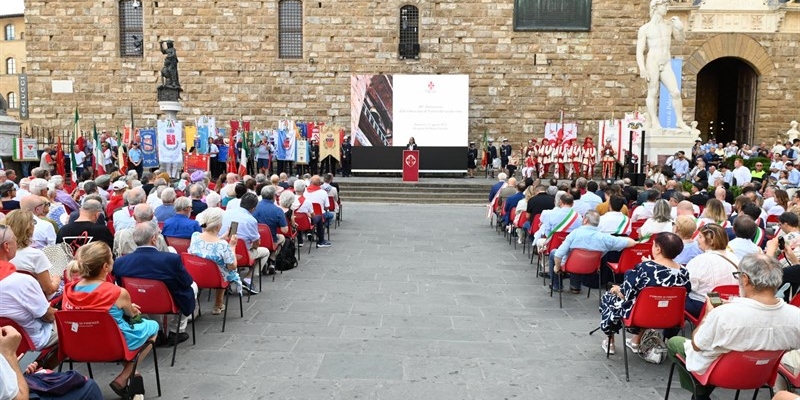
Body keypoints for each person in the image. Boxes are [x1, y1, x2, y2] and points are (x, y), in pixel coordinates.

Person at [667, 254, 800, 400]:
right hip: (761, 375)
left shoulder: (724, 315)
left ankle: (700, 394)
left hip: (719, 373)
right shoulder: (795, 315)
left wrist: (708, 315)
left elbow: (697, 345)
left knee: (674, 342)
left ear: (745, 279)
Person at [62, 242, 159, 398]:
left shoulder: (69, 290)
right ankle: (126, 375)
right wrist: (132, 309)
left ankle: (133, 373)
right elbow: (134, 316)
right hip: (113, 345)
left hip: (78, 344)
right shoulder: (117, 292)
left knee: (115, 328)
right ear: (106, 267)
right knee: (153, 326)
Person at [598, 232, 690, 354]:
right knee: (650, 301)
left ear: (658, 249)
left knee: (609, 297)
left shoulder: (644, 268)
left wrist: (617, 289)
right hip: (669, 316)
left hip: (641, 314)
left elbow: (627, 294)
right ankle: (635, 341)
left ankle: (610, 342)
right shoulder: (684, 272)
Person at [113, 223, 196, 345]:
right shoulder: (171, 259)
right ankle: (175, 331)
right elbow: (186, 281)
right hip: (167, 301)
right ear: (153, 239)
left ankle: (159, 331)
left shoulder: (120, 262)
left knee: (147, 290)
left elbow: (121, 286)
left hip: (138, 301)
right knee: (192, 288)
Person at [0, 224, 58, 353]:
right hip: (28, 341)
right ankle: (41, 369)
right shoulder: (22, 281)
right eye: (15, 240)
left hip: (8, 341)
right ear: (6, 246)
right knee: (70, 328)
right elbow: (48, 316)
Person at [552, 210, 637, 293]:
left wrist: (557, 267)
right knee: (574, 257)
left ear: (585, 220)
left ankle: (557, 286)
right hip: (592, 267)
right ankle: (575, 286)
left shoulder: (574, 233)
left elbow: (559, 254)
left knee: (554, 253)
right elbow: (630, 242)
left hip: (571, 265)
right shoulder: (604, 237)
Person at [636, 0, 689, 131]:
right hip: (652, 62)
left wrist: (680, 28)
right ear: (656, 7)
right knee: (653, 92)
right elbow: (639, 50)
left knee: (676, 92)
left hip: (666, 62)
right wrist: (642, 68)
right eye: (665, 5)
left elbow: (681, 40)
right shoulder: (645, 29)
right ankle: (654, 121)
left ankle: (680, 121)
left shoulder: (669, 25)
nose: (667, 8)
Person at [190, 208, 242, 314]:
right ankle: (218, 304)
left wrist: (223, 238)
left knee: (217, 266)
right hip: (217, 278)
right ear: (218, 226)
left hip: (197, 274)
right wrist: (232, 246)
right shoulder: (222, 245)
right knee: (222, 268)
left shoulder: (195, 236)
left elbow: (209, 244)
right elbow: (232, 266)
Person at [684, 224, 739, 318]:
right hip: (730, 304)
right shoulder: (734, 257)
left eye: (700, 236)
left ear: (711, 240)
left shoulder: (700, 260)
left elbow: (691, 285)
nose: (697, 239)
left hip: (704, 305)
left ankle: (669, 332)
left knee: (676, 300)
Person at [219, 193, 269, 293]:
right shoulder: (251, 220)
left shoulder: (227, 213)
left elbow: (231, 233)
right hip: (241, 254)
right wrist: (254, 247)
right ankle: (248, 278)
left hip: (223, 251)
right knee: (265, 252)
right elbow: (256, 242)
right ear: (253, 208)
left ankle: (229, 279)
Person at [5, 210, 60, 298]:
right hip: (34, 300)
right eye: (33, 222)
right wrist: (57, 280)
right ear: (29, 228)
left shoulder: (3, 253)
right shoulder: (35, 255)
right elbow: (49, 290)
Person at [253, 185, 288, 274]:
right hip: (271, 240)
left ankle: (267, 260)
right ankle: (272, 259)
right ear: (274, 197)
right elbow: (285, 230)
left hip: (255, 239)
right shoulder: (278, 210)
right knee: (282, 238)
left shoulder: (253, 208)